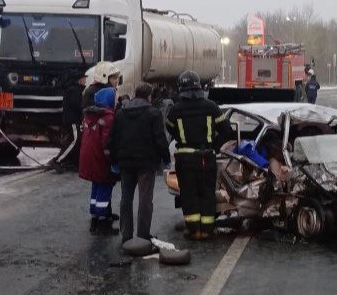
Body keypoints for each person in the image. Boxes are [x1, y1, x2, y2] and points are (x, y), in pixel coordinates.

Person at [166, 71, 233, 240]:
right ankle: (207, 230)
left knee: (189, 194)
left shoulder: (175, 110)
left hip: (185, 158)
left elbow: (170, 129)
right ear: (199, 86)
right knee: (207, 193)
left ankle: (194, 231)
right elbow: (227, 131)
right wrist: (214, 148)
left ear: (181, 88)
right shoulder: (211, 107)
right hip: (207, 157)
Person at [108, 83, 171, 244]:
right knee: (145, 199)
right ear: (149, 96)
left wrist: (114, 160)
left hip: (125, 163)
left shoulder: (121, 113)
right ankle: (143, 236)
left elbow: (113, 139)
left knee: (126, 198)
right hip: (146, 163)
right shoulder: (153, 113)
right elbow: (160, 139)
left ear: (135, 95)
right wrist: (166, 159)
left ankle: (126, 235)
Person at [79, 87, 119, 235]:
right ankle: (102, 222)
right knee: (105, 185)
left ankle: (96, 215)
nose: (116, 101)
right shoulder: (108, 117)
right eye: (114, 98)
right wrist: (113, 160)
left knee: (96, 185)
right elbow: (107, 143)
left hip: (89, 156)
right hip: (101, 158)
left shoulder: (90, 115)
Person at [51, 71, 86, 171]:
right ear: (79, 80)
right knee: (75, 141)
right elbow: (77, 105)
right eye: (84, 79)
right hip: (73, 120)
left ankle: (72, 162)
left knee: (73, 141)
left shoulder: (73, 89)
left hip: (71, 120)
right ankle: (57, 161)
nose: (85, 81)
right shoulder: (75, 90)